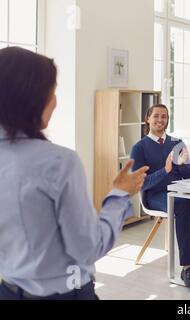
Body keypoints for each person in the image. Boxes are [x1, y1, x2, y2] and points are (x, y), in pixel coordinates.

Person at [0, 47, 148, 300]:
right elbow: (87, 248)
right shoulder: (58, 162)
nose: (55, 101)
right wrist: (119, 196)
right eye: (53, 91)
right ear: (31, 98)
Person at [130, 104, 190, 290]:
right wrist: (165, 171)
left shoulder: (177, 142)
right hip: (156, 195)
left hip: (182, 190)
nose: (160, 120)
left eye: (164, 117)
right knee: (180, 204)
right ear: (148, 118)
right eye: (156, 116)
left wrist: (181, 165)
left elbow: (189, 173)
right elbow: (139, 184)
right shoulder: (139, 147)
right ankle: (187, 267)